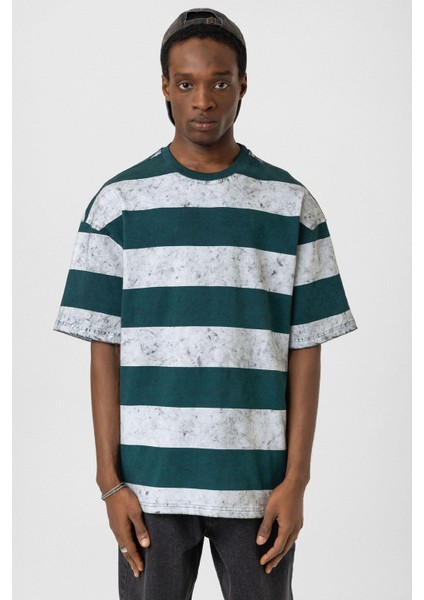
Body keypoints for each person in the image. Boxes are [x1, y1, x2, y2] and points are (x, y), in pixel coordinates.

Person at [53, 7, 358, 600]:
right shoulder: (118, 205)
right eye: (186, 83)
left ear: (243, 85)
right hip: (150, 489)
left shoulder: (291, 205)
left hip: (258, 486)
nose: (202, 100)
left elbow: (306, 350)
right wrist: (110, 483)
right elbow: (103, 350)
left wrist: (296, 481)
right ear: (165, 87)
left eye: (219, 82)